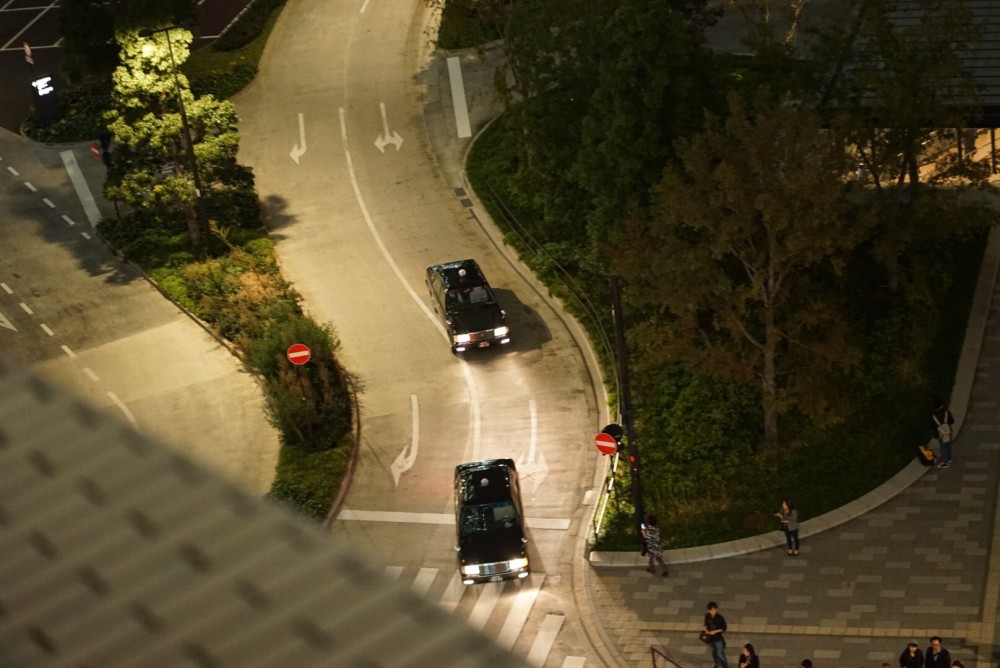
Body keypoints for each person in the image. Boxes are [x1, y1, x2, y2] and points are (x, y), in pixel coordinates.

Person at [931, 399, 955, 468]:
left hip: (941, 434)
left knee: (943, 447)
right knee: (949, 445)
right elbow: (952, 421)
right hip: (949, 431)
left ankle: (945, 462)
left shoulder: (934, 416)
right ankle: (949, 459)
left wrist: (936, 435)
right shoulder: (947, 412)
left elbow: (933, 426)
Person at [704, 601, 729, 668]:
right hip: (710, 639)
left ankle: (725, 666)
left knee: (720, 654)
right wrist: (706, 630)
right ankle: (718, 664)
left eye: (712, 610)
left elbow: (724, 628)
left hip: (718, 639)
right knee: (714, 653)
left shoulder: (720, 618)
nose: (711, 612)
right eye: (710, 610)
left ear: (715, 609)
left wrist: (715, 631)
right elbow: (705, 624)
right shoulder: (707, 616)